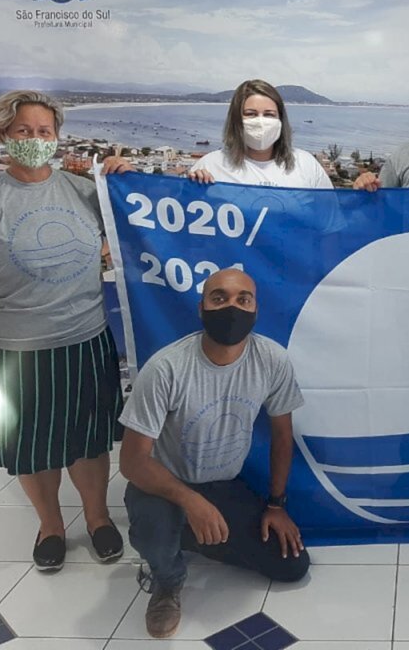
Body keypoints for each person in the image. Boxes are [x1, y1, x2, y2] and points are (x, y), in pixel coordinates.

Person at [0, 90, 124, 572]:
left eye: (45, 131)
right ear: (3, 135)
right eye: (24, 131)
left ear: (57, 137)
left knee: (89, 440)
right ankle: (50, 525)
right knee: (31, 445)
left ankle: (99, 517)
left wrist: (122, 182)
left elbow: (131, 228)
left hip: (84, 338)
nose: (35, 140)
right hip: (12, 347)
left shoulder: (85, 191)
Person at [119, 267, 310, 639]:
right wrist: (190, 501)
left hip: (222, 484)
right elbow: (131, 461)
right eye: (219, 298)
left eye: (243, 299)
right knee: (156, 526)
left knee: (292, 567)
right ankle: (166, 577)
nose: (232, 308)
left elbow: (282, 436)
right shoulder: (166, 368)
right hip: (162, 484)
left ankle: (188, 535)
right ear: (201, 308)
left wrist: (276, 505)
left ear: (256, 309)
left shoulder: (271, 359)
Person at [104, 79, 333, 188]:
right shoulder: (210, 165)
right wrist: (132, 180)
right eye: (250, 114)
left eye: (269, 114)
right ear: (236, 120)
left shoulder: (306, 165)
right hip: (232, 279)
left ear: (281, 120)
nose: (261, 122)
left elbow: (331, 225)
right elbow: (174, 218)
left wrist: (367, 190)